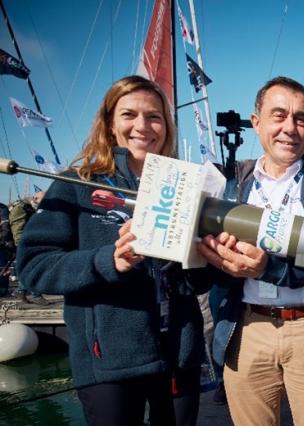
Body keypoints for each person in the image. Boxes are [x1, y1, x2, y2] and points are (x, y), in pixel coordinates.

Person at [17, 75, 211, 426]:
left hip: (179, 354)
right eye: (129, 115)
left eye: (154, 116)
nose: (143, 126)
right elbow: (34, 266)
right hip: (108, 361)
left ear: (166, 126)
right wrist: (109, 260)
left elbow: (198, 281)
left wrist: (209, 257)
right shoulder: (75, 183)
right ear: (109, 123)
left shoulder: (186, 186)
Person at [198, 76, 304, 425]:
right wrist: (217, 257)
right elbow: (201, 260)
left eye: (300, 119)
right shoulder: (226, 184)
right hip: (246, 327)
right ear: (256, 123)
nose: (290, 127)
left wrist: (266, 269)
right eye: (279, 115)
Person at [10, 191, 48, 304]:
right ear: (35, 198)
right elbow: (17, 227)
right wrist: (22, 243)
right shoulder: (21, 208)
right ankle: (35, 295)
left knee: (31, 266)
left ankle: (21, 291)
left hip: (33, 240)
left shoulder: (30, 207)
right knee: (34, 266)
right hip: (25, 242)